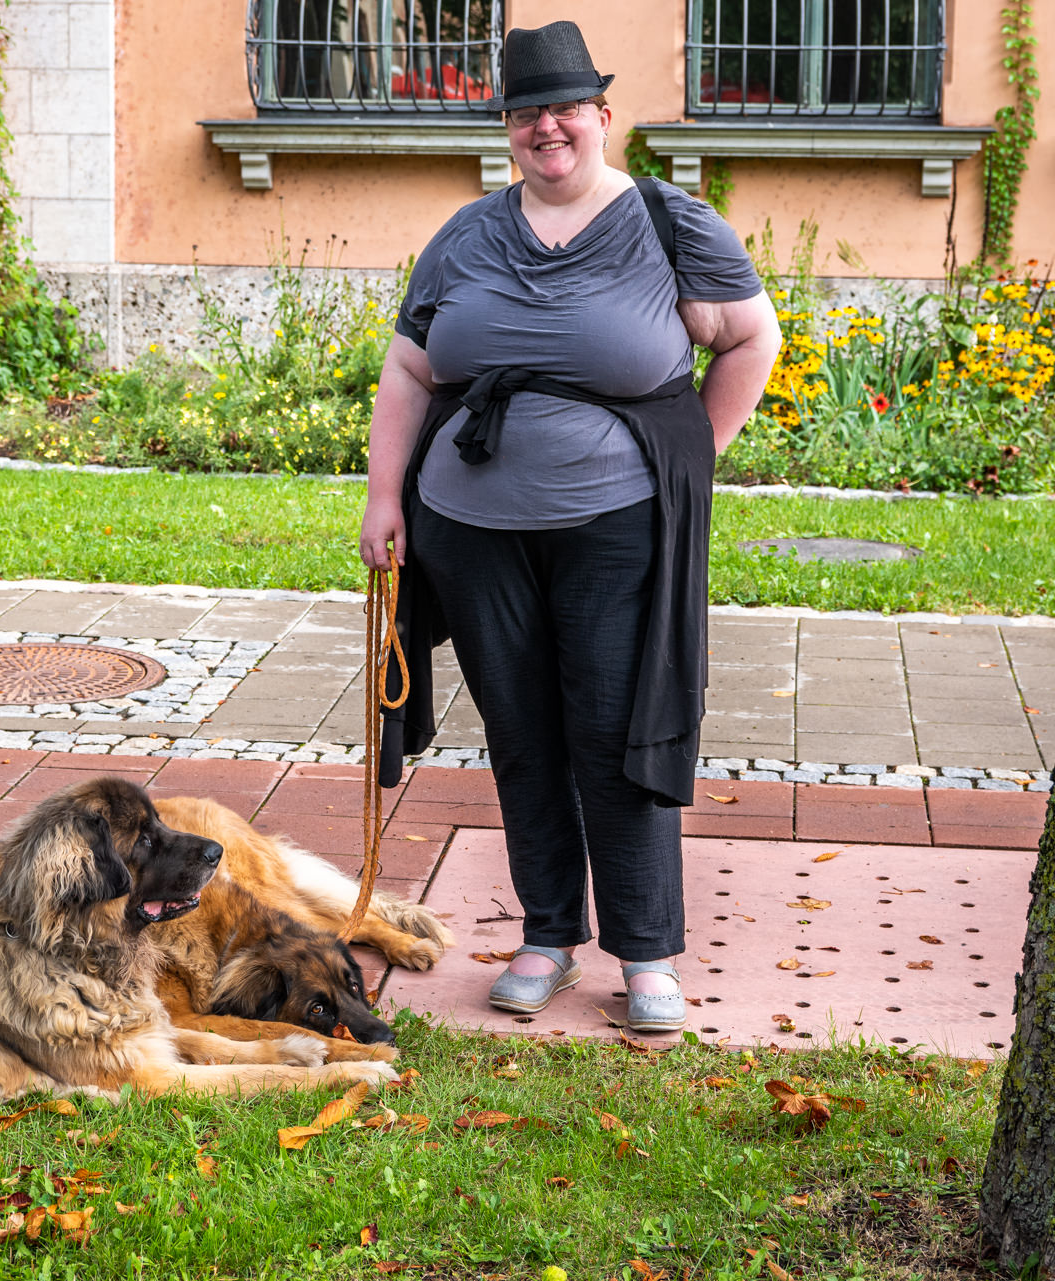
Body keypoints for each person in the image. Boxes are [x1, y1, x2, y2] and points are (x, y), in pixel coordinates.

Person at [357, 23, 781, 1031]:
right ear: (509, 128)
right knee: (520, 732)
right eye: (526, 112)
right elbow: (410, 368)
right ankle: (547, 935)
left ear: (602, 115)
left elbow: (750, 338)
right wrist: (383, 499)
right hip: (469, 528)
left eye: (566, 109)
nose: (547, 128)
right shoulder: (466, 235)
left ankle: (646, 954)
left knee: (616, 729)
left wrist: (684, 459)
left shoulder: (671, 225)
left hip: (614, 528)